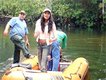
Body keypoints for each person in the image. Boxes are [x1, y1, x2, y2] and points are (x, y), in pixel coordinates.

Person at [34, 8, 57, 72]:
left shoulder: (52, 23)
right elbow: (35, 35)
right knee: (40, 61)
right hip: (39, 44)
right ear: (43, 14)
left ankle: (43, 73)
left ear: (50, 15)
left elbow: (56, 36)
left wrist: (51, 39)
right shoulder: (38, 21)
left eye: (48, 13)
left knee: (43, 62)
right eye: (45, 13)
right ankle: (43, 71)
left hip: (46, 45)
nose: (46, 15)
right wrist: (36, 34)